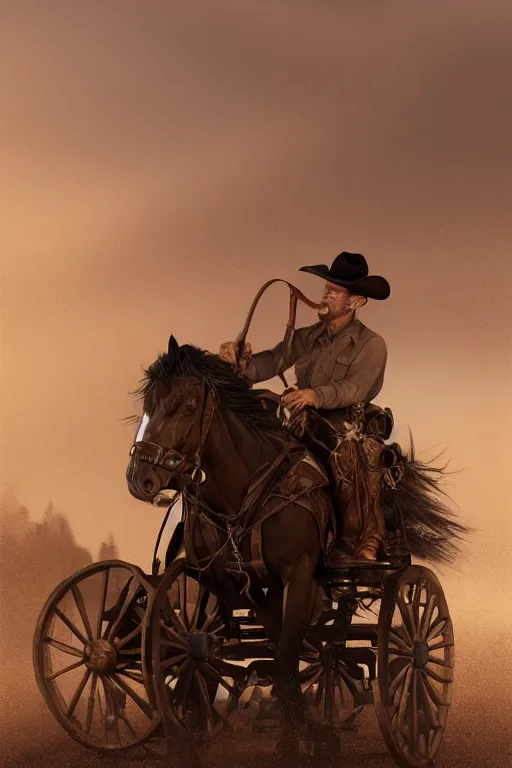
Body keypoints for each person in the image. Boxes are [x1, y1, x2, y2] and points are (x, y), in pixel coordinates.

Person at [219, 251, 391, 563]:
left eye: (335, 292)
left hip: (347, 427)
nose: (326, 296)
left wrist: (316, 395)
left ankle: (359, 538)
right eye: (326, 289)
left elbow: (357, 388)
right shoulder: (307, 337)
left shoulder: (372, 344)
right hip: (303, 423)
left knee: (348, 457)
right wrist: (240, 362)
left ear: (356, 302)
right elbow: (272, 361)